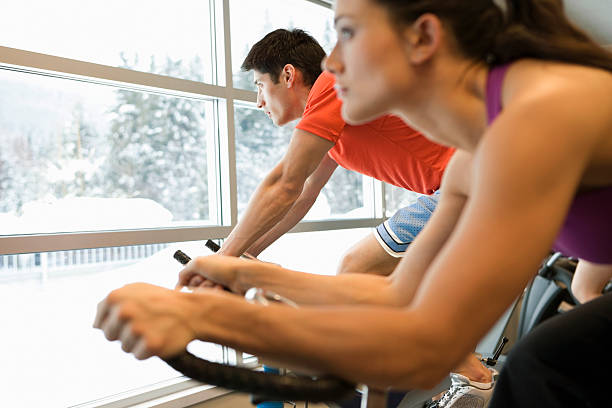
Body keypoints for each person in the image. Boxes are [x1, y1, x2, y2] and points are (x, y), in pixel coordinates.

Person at [94, 1, 612, 407]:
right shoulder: (469, 162)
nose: (332, 62)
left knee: (540, 365)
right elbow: (391, 301)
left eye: (346, 32)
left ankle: (476, 384)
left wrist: (210, 315)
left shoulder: (532, 119)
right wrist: (251, 277)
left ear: (423, 37)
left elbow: (422, 347)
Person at [215, 28, 454, 280]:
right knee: (384, 281)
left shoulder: (332, 85)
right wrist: (244, 253)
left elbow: (285, 183)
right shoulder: (328, 122)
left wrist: (223, 259)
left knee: (356, 266)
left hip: (465, 185)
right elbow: (302, 195)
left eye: (260, 86)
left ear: (287, 75)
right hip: (459, 186)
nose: (259, 101)